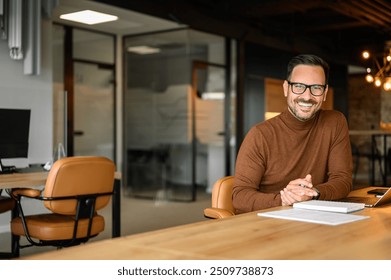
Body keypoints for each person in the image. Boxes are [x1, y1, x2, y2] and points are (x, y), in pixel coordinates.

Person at [232, 54, 352, 214]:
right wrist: (284, 200)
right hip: (267, 223)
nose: (307, 96)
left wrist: (312, 193)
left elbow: (342, 180)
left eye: (316, 88)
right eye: (299, 86)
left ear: (324, 93)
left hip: (315, 219)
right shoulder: (260, 135)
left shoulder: (335, 122)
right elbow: (240, 197)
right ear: (286, 88)